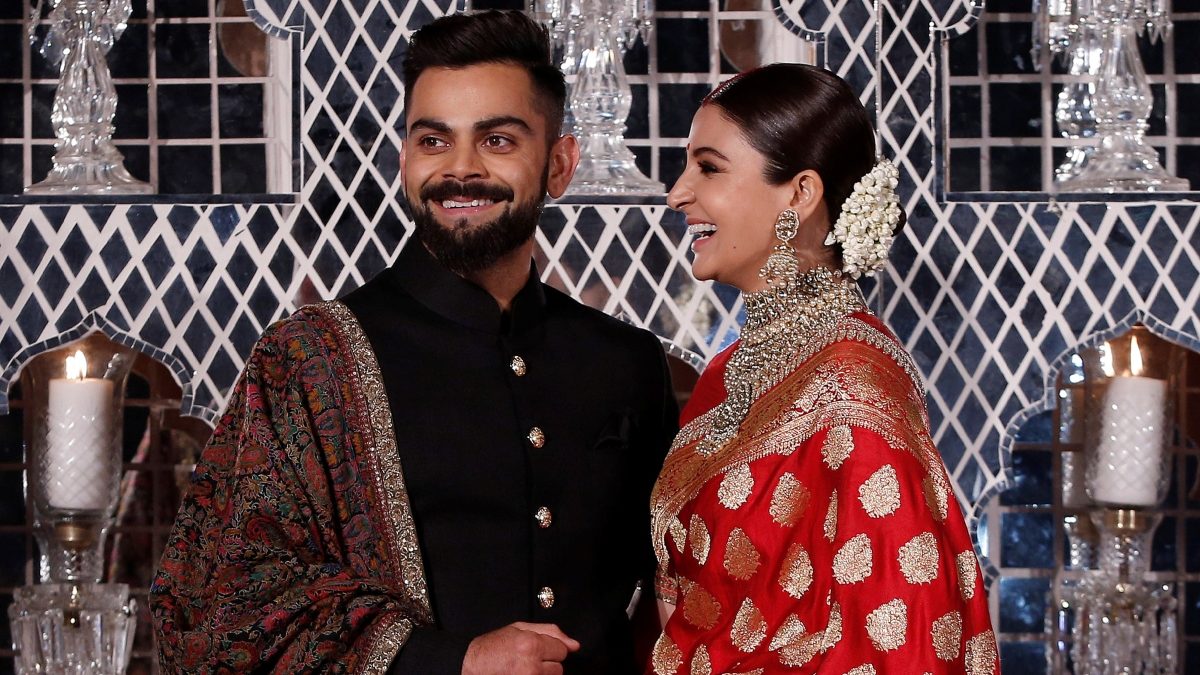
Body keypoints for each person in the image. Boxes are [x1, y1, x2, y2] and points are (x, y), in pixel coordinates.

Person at [150, 10, 678, 674]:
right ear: (404, 158)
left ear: (560, 164)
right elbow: (213, 603)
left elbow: (681, 590)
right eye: (433, 141)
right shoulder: (310, 361)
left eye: (498, 141)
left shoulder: (625, 362)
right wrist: (451, 659)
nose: (461, 170)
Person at [647, 63, 999, 674]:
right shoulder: (732, 370)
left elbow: (908, 629)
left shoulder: (852, 383)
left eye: (709, 167)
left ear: (800, 194)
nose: (678, 193)